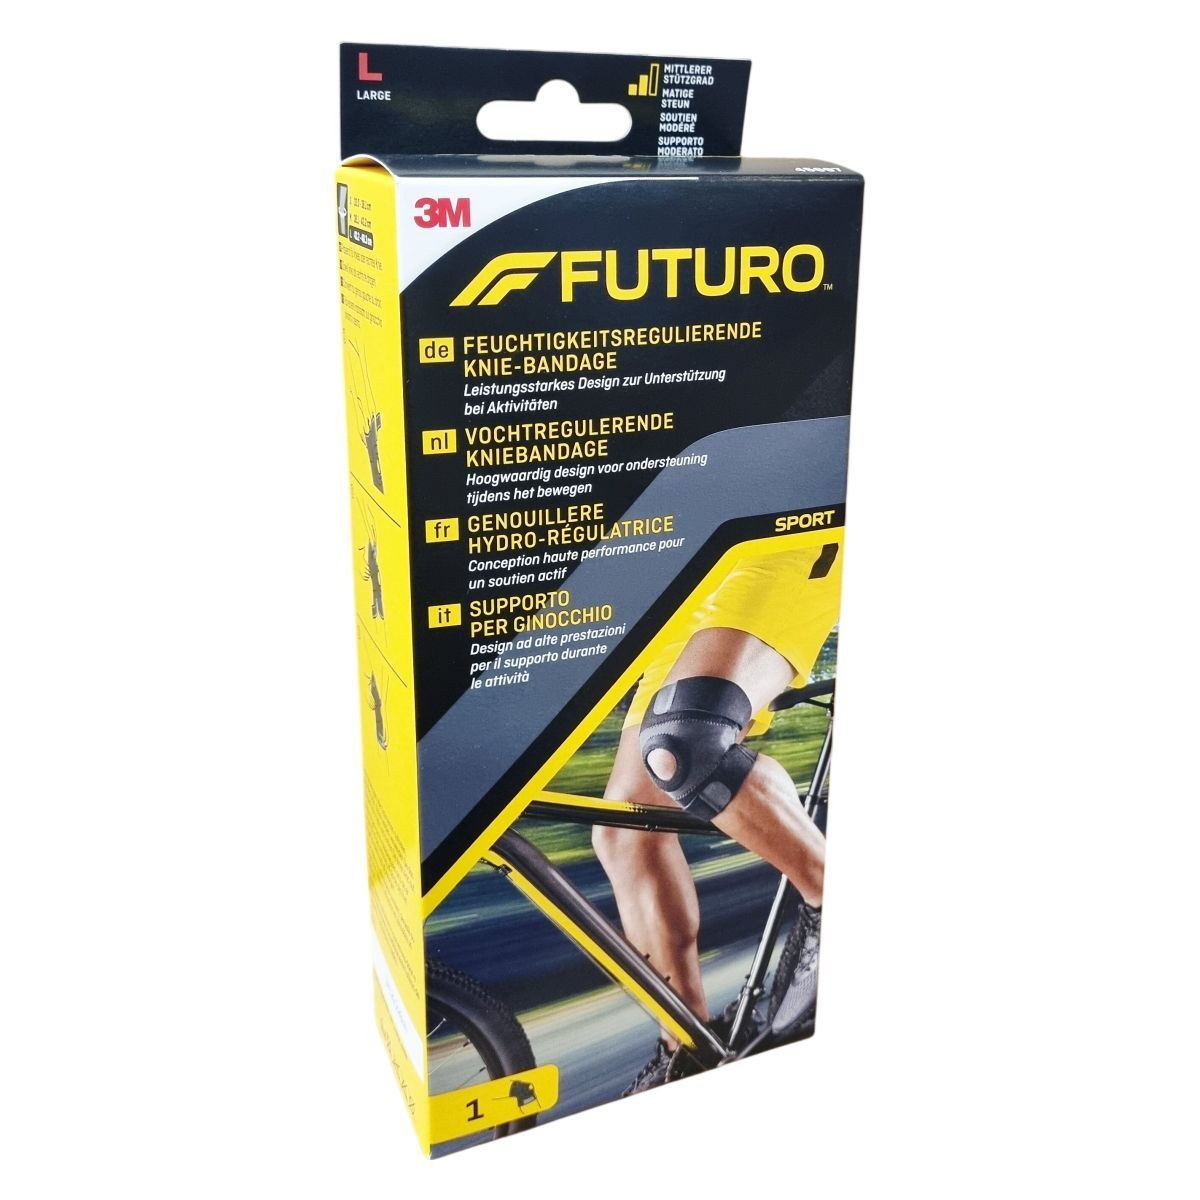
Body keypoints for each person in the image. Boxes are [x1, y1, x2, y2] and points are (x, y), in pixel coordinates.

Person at [592, 534, 842, 1091]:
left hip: (786, 534)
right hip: (700, 559)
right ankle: (688, 1051)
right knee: (626, 830)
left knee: (685, 742)